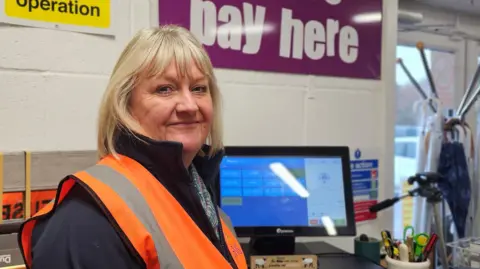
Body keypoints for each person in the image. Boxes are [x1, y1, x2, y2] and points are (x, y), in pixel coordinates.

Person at [17, 25, 248, 269]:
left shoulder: (205, 202)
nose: (189, 106)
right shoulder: (88, 218)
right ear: (124, 105)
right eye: (165, 89)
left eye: (198, 88)